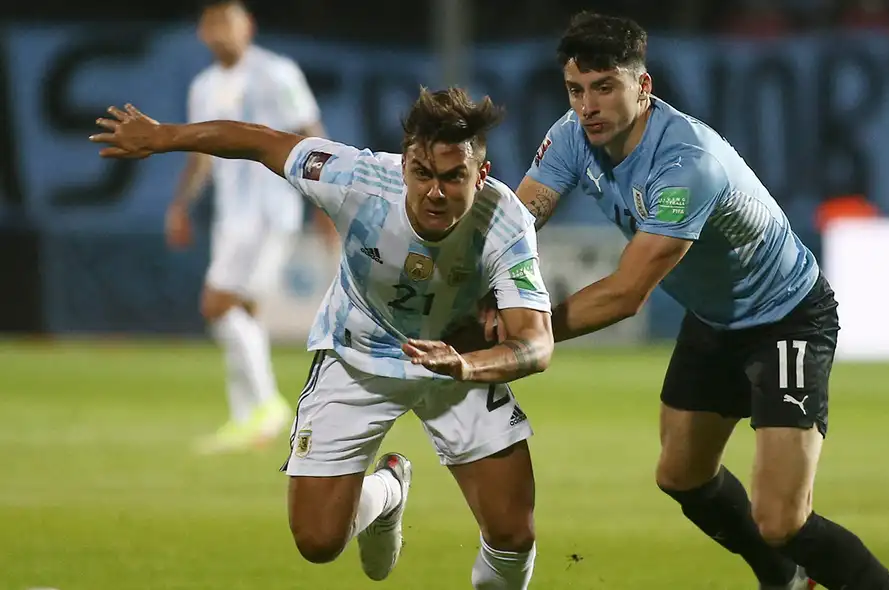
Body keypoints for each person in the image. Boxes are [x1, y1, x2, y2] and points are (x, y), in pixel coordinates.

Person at [497, 11, 889, 590]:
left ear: (643, 86)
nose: (588, 106)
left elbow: (626, 293)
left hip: (786, 319)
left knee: (781, 520)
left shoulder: (687, 164)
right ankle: (788, 580)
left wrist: (523, 330)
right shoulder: (571, 135)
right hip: (716, 319)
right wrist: (467, 279)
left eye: (604, 87)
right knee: (681, 476)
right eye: (576, 90)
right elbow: (516, 225)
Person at [90, 86, 553, 589]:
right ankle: (388, 491)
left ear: (480, 175)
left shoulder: (505, 220)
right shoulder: (355, 179)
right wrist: (165, 136)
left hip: (455, 364)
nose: (435, 192)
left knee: (513, 534)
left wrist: (465, 365)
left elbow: (536, 343)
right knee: (317, 540)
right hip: (358, 358)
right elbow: (260, 141)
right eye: (422, 173)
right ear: (403, 167)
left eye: (452, 177)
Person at [167, 0, 332, 454]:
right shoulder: (204, 86)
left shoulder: (277, 73)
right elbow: (201, 154)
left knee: (217, 304)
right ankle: (247, 418)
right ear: (202, 32)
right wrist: (181, 205)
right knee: (245, 312)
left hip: (269, 209)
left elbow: (311, 134)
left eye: (229, 21)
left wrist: (326, 203)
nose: (220, 30)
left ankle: (266, 403)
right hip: (231, 217)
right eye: (212, 23)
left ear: (249, 26)